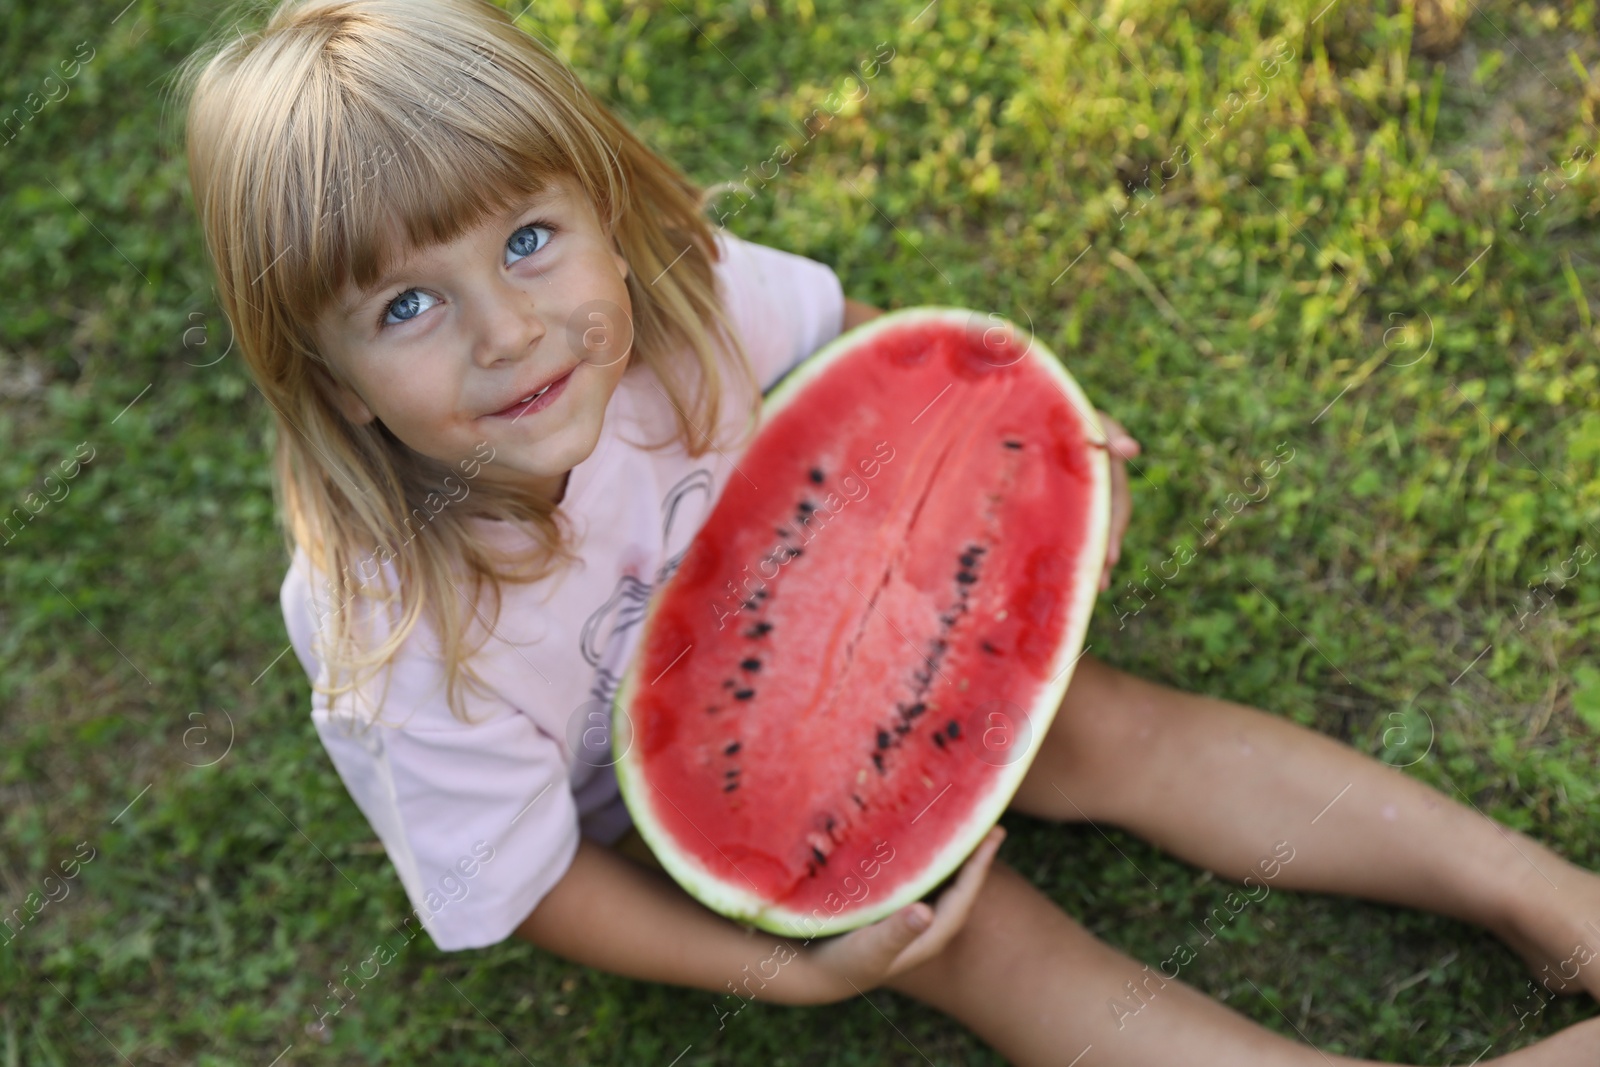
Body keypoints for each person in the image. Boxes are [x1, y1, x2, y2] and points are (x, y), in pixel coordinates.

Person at [174, 0, 1600, 1062]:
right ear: (327, 383)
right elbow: (537, 883)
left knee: (1105, 727)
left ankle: (1543, 896)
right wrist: (790, 971)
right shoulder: (398, 640)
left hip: (844, 616)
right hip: (682, 828)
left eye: (529, 239)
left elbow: (888, 365)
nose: (509, 331)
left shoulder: (681, 306)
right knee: (973, 944)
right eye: (404, 308)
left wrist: (1033, 456)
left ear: (603, 208)